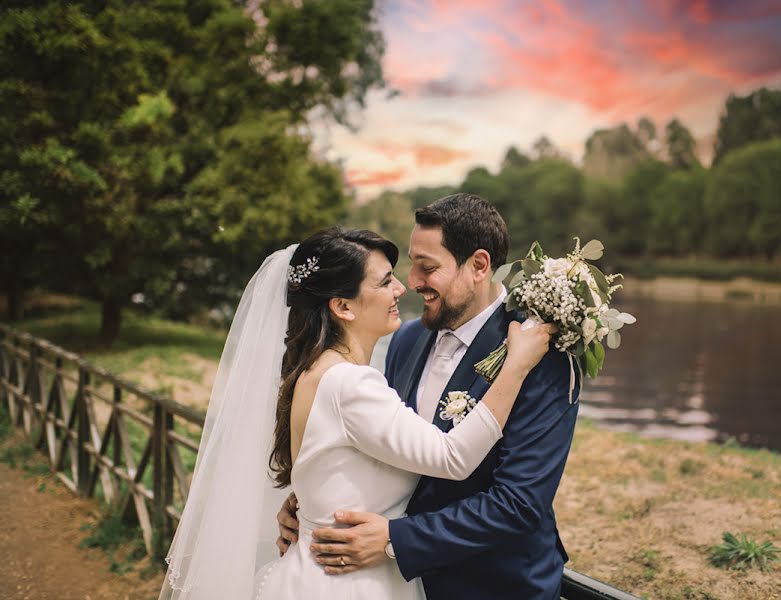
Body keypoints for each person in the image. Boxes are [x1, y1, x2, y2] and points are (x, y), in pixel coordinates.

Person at [159, 226, 553, 599]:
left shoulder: (316, 370)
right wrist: (516, 367)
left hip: (322, 570)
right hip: (348, 583)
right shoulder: (350, 384)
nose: (402, 287)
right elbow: (453, 456)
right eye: (384, 282)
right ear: (343, 306)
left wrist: (313, 506)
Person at [278, 194, 582, 599]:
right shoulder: (406, 339)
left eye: (428, 267)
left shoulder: (541, 353)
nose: (412, 282)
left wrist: (396, 539)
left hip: (495, 584)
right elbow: (382, 442)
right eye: (410, 264)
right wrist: (317, 500)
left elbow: (519, 503)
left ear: (478, 265)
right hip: (400, 582)